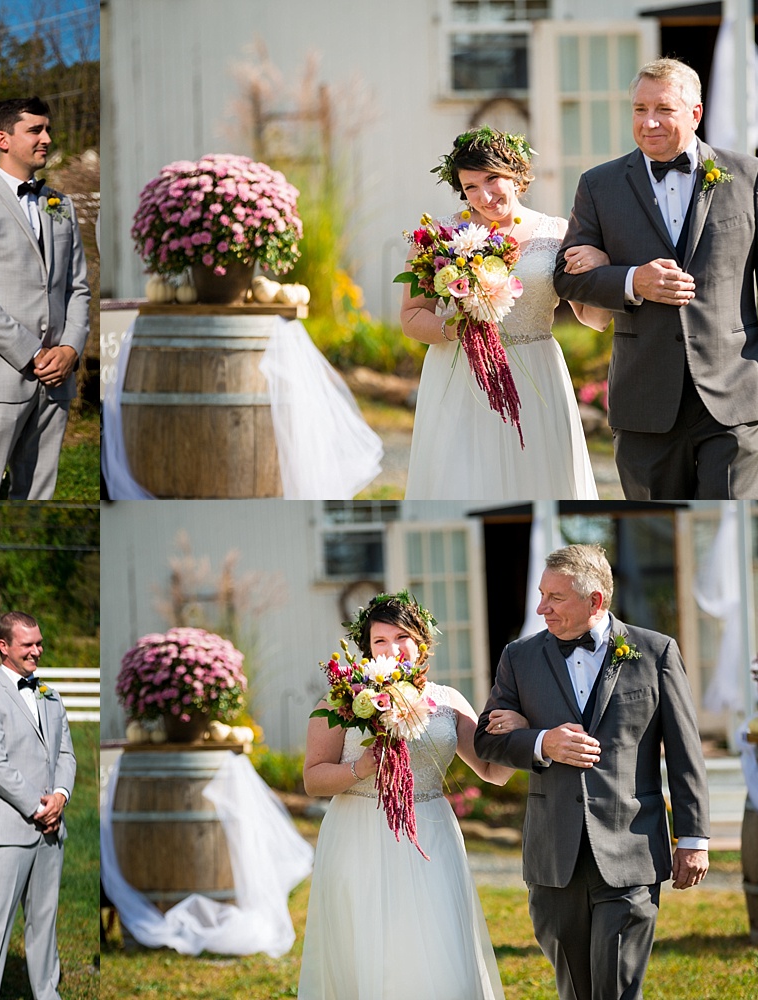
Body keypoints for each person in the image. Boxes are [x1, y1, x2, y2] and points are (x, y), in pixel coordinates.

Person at [552, 58, 758, 499]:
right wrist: (632, 280)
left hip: (732, 393)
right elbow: (566, 279)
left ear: (695, 113)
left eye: (663, 109)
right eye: (639, 109)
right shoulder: (598, 185)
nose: (649, 122)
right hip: (643, 400)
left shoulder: (749, 176)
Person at [474, 544, 710, 1000]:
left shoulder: (656, 652)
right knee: (575, 989)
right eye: (542, 594)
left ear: (595, 601)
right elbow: (488, 740)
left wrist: (694, 838)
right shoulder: (518, 657)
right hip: (552, 857)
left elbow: (685, 751)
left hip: (630, 848)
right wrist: (543, 741)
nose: (541, 607)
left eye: (555, 598)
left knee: (616, 987)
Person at [297, 591, 524, 999]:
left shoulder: (448, 701)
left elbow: (492, 773)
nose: (392, 648)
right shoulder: (342, 702)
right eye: (380, 641)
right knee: (371, 945)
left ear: (422, 641)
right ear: (367, 650)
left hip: (432, 834)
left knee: (440, 942)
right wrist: (360, 768)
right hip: (360, 833)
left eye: (402, 637)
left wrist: (520, 733)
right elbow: (313, 779)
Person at [402, 127, 612, 501]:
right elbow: (412, 316)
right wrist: (456, 329)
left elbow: (592, 318)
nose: (484, 196)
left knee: (542, 480)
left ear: (515, 173)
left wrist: (603, 268)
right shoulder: (438, 237)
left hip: (538, 371)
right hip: (461, 375)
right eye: (469, 187)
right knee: (465, 484)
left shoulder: (559, 233)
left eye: (492, 178)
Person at [0, 96, 91, 500]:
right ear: (3, 139)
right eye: (35, 130)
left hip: (56, 380)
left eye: (47, 129)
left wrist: (69, 349)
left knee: (37, 496)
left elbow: (76, 287)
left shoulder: (62, 205)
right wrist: (34, 353)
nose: (47, 138)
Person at [0, 612, 76, 1000]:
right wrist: (37, 807)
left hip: (51, 828)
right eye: (28, 645)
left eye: (39, 643)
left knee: (44, 923)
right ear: (4, 646)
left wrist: (59, 796)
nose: (37, 651)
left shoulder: (51, 696)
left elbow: (66, 754)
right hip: (8, 830)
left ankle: (47, 993)